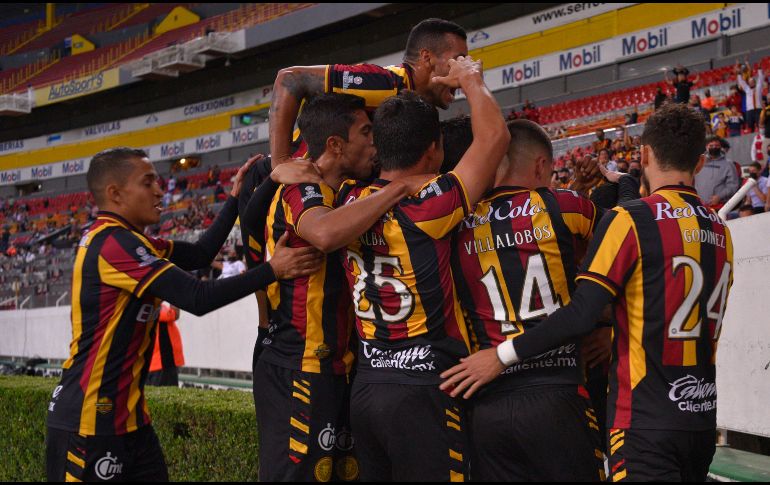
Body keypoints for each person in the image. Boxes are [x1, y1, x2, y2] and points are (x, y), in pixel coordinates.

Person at [440, 103, 734, 482]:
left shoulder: (455, 223)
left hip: (630, 416)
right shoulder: (720, 229)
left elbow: (586, 305)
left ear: (643, 154)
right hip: (695, 412)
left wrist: (500, 355)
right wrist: (623, 184)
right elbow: (648, 288)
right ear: (699, 163)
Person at [45, 147, 321, 482]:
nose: (160, 190)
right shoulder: (113, 244)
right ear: (115, 194)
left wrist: (236, 199)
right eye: (148, 183)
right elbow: (197, 297)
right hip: (88, 425)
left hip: (130, 423)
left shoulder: (131, 241)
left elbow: (202, 252)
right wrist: (272, 269)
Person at [251, 93, 433, 482]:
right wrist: (398, 188)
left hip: (338, 367)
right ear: (335, 144)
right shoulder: (302, 186)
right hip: (298, 365)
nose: (375, 142)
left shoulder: (350, 189)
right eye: (366, 133)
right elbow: (325, 233)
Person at [450, 119, 625, 481]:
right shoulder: (568, 206)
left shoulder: (455, 222)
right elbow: (631, 249)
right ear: (542, 166)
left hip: (487, 399)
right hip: (558, 393)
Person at [268, 18, 468, 165]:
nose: (463, 69)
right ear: (427, 57)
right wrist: (281, 162)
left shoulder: (418, 104)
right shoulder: (386, 83)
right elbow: (292, 79)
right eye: (458, 60)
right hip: (292, 189)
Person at [695, 135, 740, 209]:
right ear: (706, 146)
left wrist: (719, 196)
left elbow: (733, 186)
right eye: (711, 145)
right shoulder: (700, 161)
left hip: (718, 206)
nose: (714, 147)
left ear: (720, 147)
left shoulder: (728, 164)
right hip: (699, 205)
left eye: (717, 145)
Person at [147, 302, 184, 387]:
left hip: (156, 364)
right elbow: (175, 314)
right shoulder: (155, 308)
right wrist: (174, 293)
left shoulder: (143, 309)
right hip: (162, 363)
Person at [736, 59, 764, 132]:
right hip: (749, 111)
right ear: (748, 83)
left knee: (760, 126)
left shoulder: (758, 88)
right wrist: (739, 72)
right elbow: (741, 82)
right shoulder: (747, 89)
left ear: (755, 82)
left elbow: (761, 78)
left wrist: (759, 68)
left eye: (752, 81)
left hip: (758, 109)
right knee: (750, 127)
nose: (751, 83)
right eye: (750, 82)